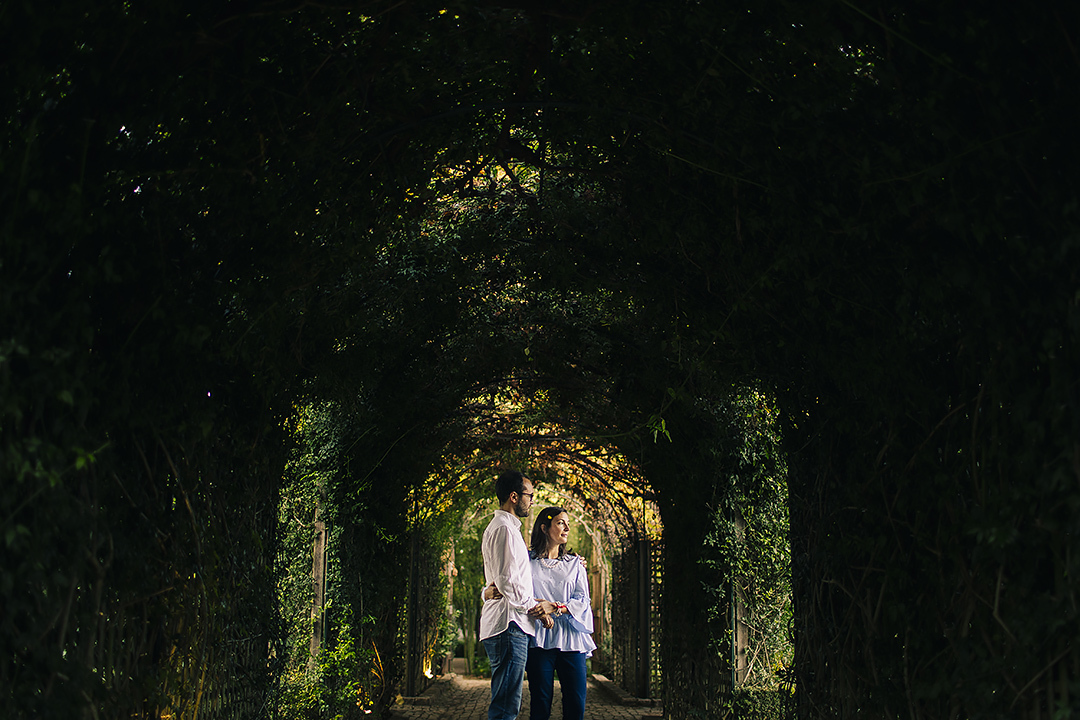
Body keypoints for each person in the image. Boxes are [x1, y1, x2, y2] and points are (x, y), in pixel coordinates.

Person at [487, 506, 596, 720]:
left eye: (567, 523)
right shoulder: (525, 562)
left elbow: (583, 602)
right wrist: (486, 591)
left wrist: (555, 607)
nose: (567, 527)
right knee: (540, 703)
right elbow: (507, 583)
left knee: (575, 704)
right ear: (544, 528)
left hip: (571, 641)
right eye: (560, 522)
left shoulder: (575, 564)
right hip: (538, 641)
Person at [480, 470, 556, 720]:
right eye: (529, 495)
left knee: (507, 702)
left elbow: (497, 581)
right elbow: (507, 581)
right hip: (509, 625)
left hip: (509, 623)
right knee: (506, 706)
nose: (532, 500)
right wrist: (533, 609)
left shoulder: (505, 528)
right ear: (514, 496)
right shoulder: (503, 529)